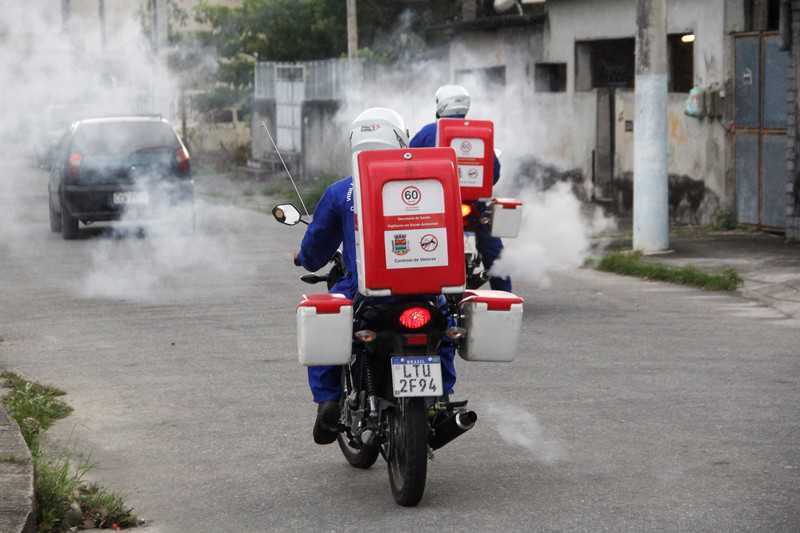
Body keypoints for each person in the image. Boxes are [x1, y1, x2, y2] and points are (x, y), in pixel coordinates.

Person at [294, 108, 457, 445]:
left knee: (327, 322)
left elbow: (315, 252)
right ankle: (441, 398)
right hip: (424, 291)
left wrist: (302, 257)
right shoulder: (429, 185)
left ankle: (328, 400)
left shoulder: (342, 192)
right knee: (443, 327)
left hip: (364, 294)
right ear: (400, 140)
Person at [409, 84, 511, 292]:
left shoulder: (428, 133)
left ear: (440, 106)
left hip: (437, 206)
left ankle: (416, 293)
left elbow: (407, 164)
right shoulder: (478, 133)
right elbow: (495, 171)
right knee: (495, 252)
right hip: (474, 206)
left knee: (416, 246)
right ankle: (504, 295)